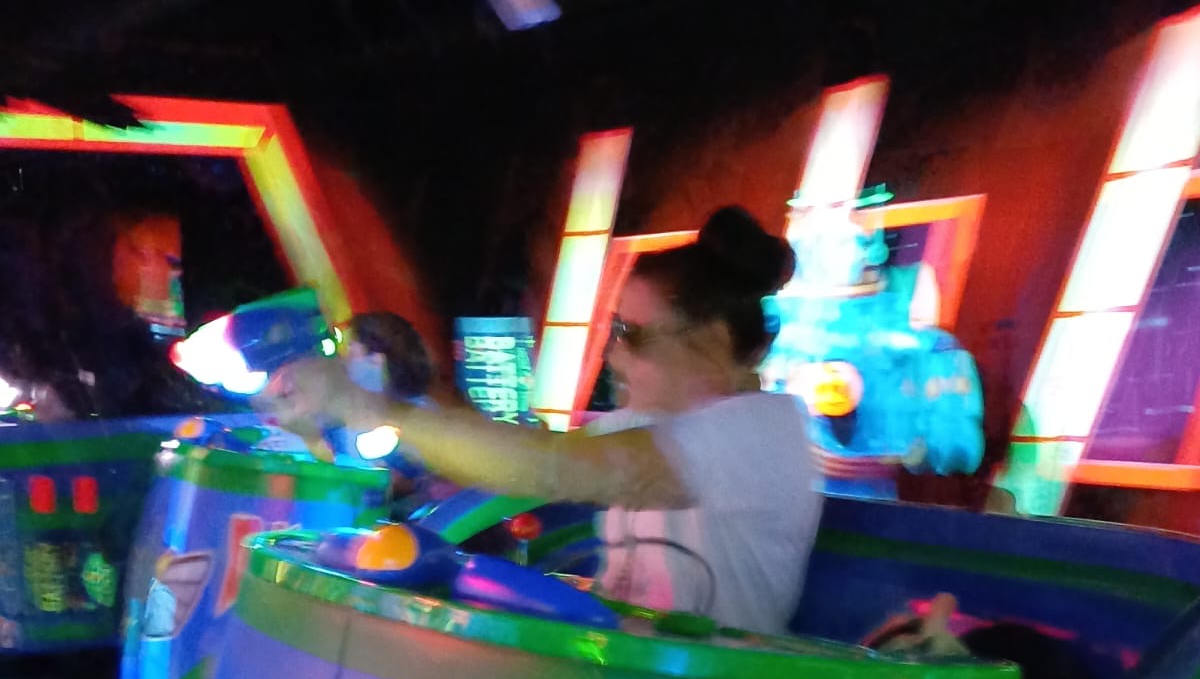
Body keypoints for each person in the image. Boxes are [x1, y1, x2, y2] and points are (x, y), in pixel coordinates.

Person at [267, 207, 821, 635]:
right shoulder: (650, 425)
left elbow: (550, 467)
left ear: (714, 341)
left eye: (631, 334)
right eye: (614, 331)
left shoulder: (758, 433)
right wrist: (366, 414)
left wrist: (367, 408)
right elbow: (520, 453)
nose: (613, 355)